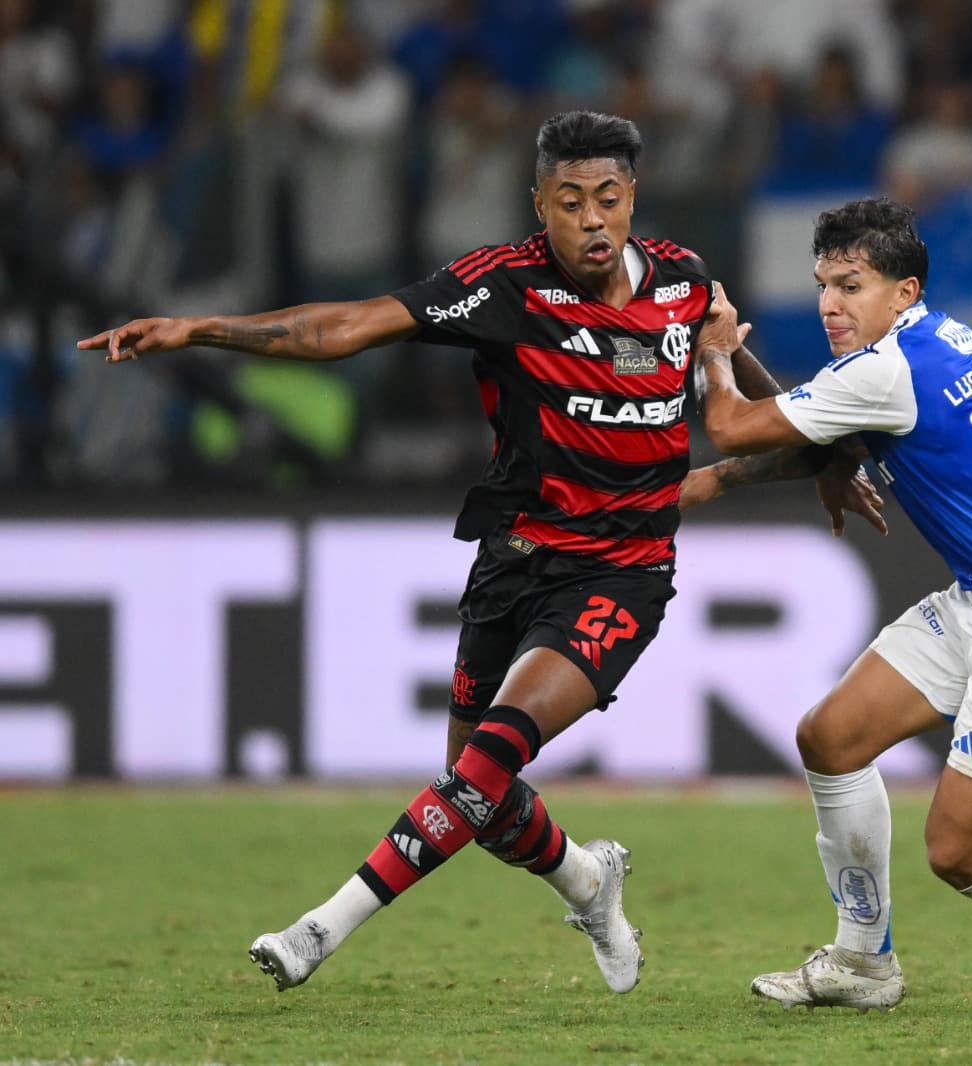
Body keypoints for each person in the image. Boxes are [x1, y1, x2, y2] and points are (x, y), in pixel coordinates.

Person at [77, 110, 882, 994]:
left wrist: (829, 457)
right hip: (512, 563)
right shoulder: (503, 287)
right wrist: (201, 329)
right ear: (540, 206)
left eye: (607, 199)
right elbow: (343, 329)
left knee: (491, 757)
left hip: (623, 575)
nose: (591, 221)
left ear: (631, 199)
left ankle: (319, 929)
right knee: (479, 798)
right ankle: (586, 877)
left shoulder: (686, 282)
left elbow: (749, 387)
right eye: (569, 202)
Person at [683, 198, 972, 1019]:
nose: (830, 303)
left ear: (903, 291)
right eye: (823, 284)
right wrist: (821, 464)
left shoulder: (885, 369)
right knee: (830, 738)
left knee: (958, 851)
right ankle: (863, 963)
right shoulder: (937, 339)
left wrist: (717, 353)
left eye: (851, 285)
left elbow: (730, 425)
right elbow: (829, 426)